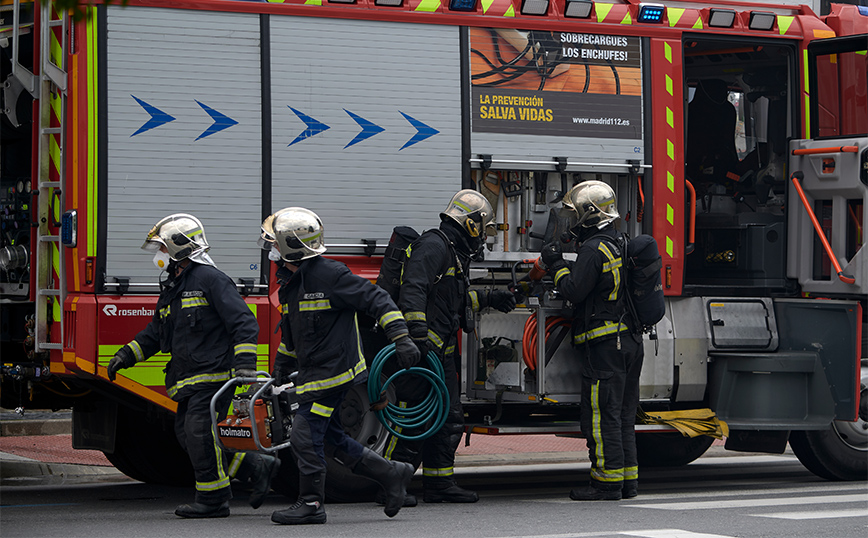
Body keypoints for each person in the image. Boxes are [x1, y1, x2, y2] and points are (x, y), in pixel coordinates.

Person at [106, 213, 280, 518]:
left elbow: (244, 323)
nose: (160, 255)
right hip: (187, 379)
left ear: (180, 247)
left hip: (213, 376)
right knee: (189, 437)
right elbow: (156, 333)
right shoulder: (174, 285)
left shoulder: (211, 280)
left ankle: (213, 501)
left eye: (163, 248)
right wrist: (125, 356)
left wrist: (245, 368)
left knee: (199, 433)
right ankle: (256, 465)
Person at [262, 207, 419, 525]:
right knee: (331, 438)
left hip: (334, 375)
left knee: (303, 435)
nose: (272, 248)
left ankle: (311, 503)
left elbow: (377, 300)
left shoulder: (330, 275)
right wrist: (282, 363)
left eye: (276, 242)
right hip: (313, 375)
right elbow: (294, 333)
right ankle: (392, 474)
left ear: (293, 245)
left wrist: (400, 337)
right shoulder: (292, 282)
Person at [387, 189, 517, 504]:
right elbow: (413, 288)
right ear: (471, 224)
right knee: (415, 421)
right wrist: (417, 333)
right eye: (482, 229)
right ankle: (389, 485)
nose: (483, 238)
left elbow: (450, 300)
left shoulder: (450, 250)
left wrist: (489, 298)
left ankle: (439, 484)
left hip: (438, 354)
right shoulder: (434, 246)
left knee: (445, 420)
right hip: (424, 354)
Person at [540, 181, 644, 501]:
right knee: (623, 417)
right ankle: (627, 481)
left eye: (574, 213)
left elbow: (573, 290)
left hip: (604, 348)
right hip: (628, 343)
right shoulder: (620, 243)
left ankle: (606, 484)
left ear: (589, 214)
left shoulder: (593, 248)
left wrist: (555, 264)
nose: (571, 220)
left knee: (601, 417)